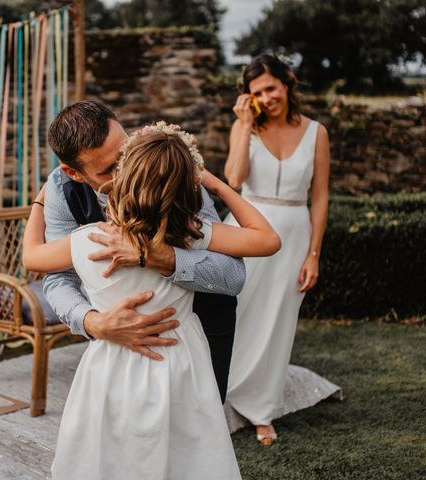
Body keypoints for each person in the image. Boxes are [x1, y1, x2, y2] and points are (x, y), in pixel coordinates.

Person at [23, 123, 280, 479]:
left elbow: (32, 257)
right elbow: (267, 239)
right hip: (183, 358)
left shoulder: (86, 240)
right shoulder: (189, 231)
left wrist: (39, 200)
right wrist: (216, 183)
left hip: (113, 368)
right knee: (189, 453)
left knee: (115, 453)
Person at [39, 101, 245, 402]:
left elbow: (234, 276)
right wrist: (92, 322)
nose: (127, 170)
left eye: (125, 151)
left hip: (201, 322)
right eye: (110, 169)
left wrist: (163, 258)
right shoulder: (60, 190)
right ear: (74, 172)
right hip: (119, 343)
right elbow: (58, 278)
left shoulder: (169, 165)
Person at [223, 53, 331, 445]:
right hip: (248, 231)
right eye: (257, 93)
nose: (266, 97)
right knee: (237, 311)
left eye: (270, 88)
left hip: (294, 236)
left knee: (277, 321)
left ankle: (261, 410)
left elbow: (319, 198)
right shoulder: (244, 127)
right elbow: (233, 180)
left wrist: (314, 253)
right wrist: (245, 125)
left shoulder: (317, 132)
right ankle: (220, 393)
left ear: (287, 82)